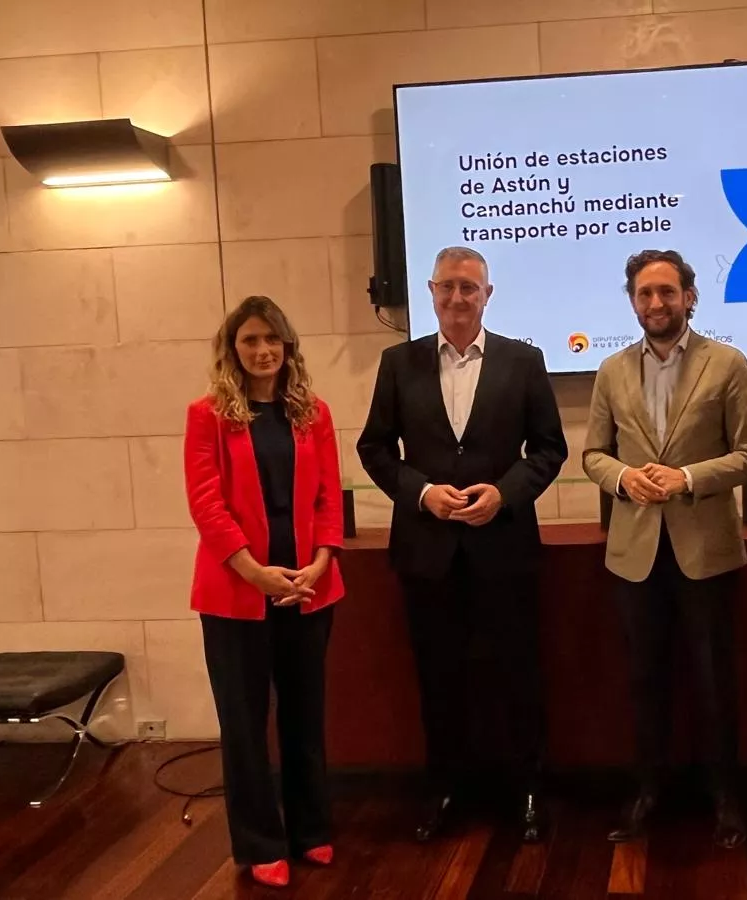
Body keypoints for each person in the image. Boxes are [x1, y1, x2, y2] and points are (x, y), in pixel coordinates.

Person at [356, 246, 567, 844]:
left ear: (487, 295)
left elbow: (550, 449)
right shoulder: (398, 363)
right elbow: (374, 449)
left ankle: (528, 788)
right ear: (430, 291)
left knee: (517, 674)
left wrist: (503, 494)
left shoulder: (523, 361)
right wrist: (421, 493)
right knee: (439, 678)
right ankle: (445, 788)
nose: (456, 298)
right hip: (428, 552)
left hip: (503, 547)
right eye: (446, 286)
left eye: (468, 288)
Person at [582, 248, 747, 849]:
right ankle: (647, 793)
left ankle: (725, 799)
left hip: (705, 550)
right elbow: (592, 453)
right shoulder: (611, 370)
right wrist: (621, 478)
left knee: (714, 680)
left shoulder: (728, 363)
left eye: (667, 292)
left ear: (690, 296)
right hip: (634, 553)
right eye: (644, 294)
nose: (656, 303)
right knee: (644, 679)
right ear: (632, 301)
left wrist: (687, 479)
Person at [185, 296, 346, 889]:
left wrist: (320, 562)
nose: (262, 351)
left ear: (287, 347)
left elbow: (330, 498)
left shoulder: (314, 414)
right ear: (233, 350)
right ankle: (259, 841)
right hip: (236, 594)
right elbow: (206, 504)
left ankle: (310, 830)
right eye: (249, 340)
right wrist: (256, 572)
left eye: (271, 340)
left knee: (306, 715)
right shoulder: (208, 416)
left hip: (309, 588)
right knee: (246, 723)